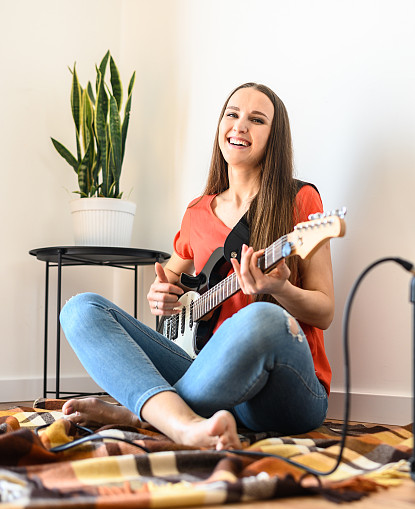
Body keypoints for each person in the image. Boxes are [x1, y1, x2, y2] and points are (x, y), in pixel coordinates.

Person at [59, 82, 335, 451]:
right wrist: (161, 297)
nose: (240, 126)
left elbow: (325, 312)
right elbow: (168, 283)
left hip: (286, 390)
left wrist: (279, 289)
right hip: (209, 378)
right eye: (232, 114)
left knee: (262, 319)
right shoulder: (197, 211)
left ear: (275, 137)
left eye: (257, 120)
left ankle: (140, 414)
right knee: (81, 309)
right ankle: (184, 425)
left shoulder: (300, 199)